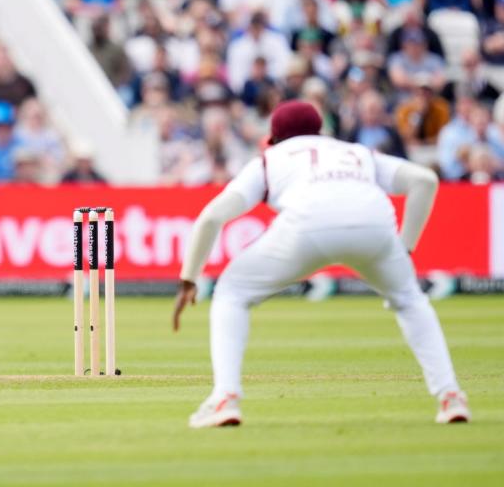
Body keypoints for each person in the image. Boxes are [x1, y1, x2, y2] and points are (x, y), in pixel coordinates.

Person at [172, 100, 471, 428]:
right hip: (374, 226)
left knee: (231, 292)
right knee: (411, 301)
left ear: (275, 138)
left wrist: (189, 280)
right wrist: (406, 248)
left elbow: (211, 217)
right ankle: (450, 395)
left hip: (306, 226)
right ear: (319, 131)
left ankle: (226, 398)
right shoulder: (356, 151)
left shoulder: (270, 159)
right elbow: (425, 180)